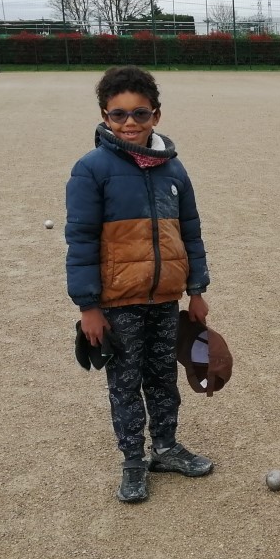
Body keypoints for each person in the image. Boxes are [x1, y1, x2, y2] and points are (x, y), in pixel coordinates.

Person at [65, 65, 215, 503]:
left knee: (163, 377)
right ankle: (133, 461)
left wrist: (197, 291)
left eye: (140, 113)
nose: (130, 122)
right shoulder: (91, 169)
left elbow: (191, 232)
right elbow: (81, 241)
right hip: (118, 302)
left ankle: (165, 448)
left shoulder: (174, 170)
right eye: (119, 114)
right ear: (104, 116)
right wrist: (88, 306)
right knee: (126, 383)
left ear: (156, 115)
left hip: (165, 297)